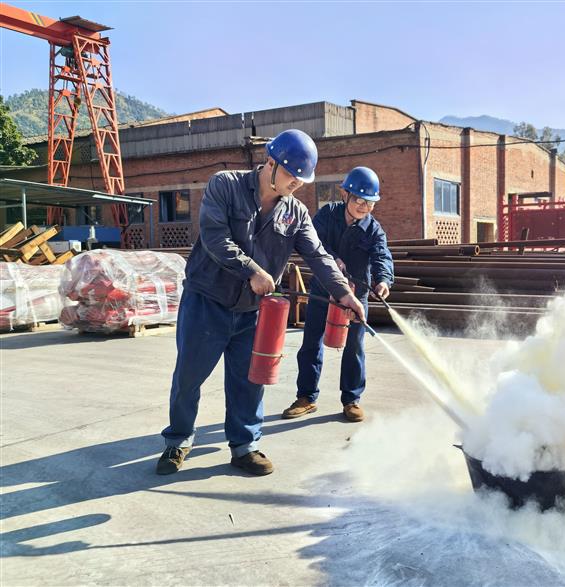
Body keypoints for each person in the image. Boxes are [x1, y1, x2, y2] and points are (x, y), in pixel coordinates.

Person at [157, 129, 365, 477]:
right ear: (270, 162)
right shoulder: (225, 185)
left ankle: (245, 446)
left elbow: (318, 256)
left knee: (250, 381)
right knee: (189, 377)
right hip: (207, 301)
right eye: (291, 175)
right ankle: (178, 440)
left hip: (253, 311)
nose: (296, 183)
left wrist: (344, 294)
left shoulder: (296, 213)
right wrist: (252, 270)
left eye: (302, 179)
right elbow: (214, 236)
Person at [282, 166, 393, 423]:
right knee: (311, 343)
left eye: (370, 203)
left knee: (354, 348)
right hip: (324, 290)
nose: (364, 207)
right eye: (359, 201)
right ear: (345, 194)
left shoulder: (374, 230)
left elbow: (382, 255)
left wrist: (383, 280)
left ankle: (351, 400)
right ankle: (306, 397)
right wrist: (332, 259)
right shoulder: (327, 215)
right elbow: (313, 241)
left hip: (356, 296)